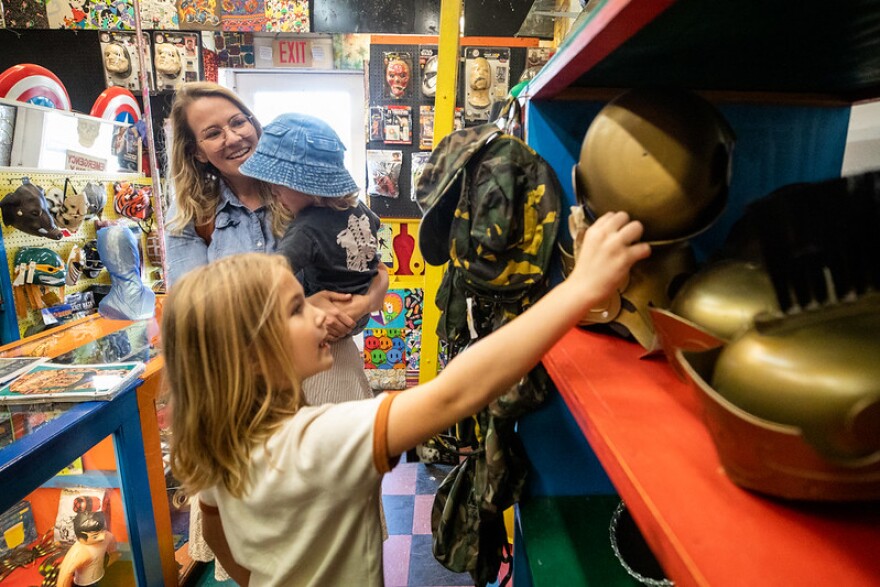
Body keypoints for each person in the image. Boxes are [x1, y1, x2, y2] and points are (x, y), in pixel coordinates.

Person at [163, 211, 651, 586]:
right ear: (249, 356)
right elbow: (453, 394)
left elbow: (219, 531)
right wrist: (582, 288)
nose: (319, 313)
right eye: (297, 308)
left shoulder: (223, 442)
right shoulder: (309, 442)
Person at [164, 81, 386, 342]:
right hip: (243, 366)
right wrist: (302, 310)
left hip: (325, 358)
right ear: (197, 152)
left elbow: (374, 270)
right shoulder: (191, 212)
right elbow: (192, 314)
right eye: (213, 134)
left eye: (237, 122)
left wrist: (362, 304)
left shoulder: (308, 197)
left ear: (253, 123)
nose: (233, 138)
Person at [240, 112, 381, 342]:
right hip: (360, 313)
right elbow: (376, 223)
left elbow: (273, 275)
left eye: (279, 185)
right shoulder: (359, 208)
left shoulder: (306, 229)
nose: (273, 192)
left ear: (307, 187)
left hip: (324, 322)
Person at [56, 511, 119, 587]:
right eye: (95, 536)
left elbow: (114, 553)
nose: (103, 537)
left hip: (101, 576)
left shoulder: (108, 536)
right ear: (81, 537)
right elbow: (65, 576)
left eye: (103, 530)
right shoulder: (79, 551)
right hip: (84, 584)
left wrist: (107, 565)